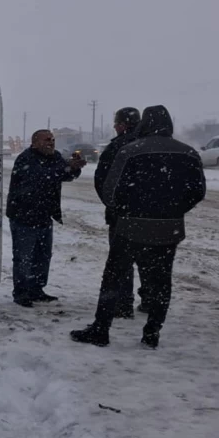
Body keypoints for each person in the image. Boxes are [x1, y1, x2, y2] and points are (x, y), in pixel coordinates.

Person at [70, 105, 206, 349]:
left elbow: (110, 189)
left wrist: (124, 211)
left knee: (113, 277)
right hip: (169, 228)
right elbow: (197, 191)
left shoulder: (129, 151)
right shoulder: (189, 153)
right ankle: (151, 333)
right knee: (161, 281)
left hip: (130, 226)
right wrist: (173, 211)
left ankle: (101, 329)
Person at [5, 129, 86, 307]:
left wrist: (74, 168)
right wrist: (66, 167)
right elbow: (41, 177)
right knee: (23, 258)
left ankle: (36, 289)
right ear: (34, 143)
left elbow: (63, 174)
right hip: (23, 216)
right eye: (46, 140)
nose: (51, 142)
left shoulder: (55, 156)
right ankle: (21, 292)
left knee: (42, 256)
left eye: (52, 139)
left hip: (44, 216)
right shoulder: (26, 159)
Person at [93, 107, 144, 317]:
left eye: (116, 124)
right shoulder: (152, 144)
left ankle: (123, 304)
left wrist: (114, 206)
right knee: (151, 260)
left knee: (121, 261)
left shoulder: (118, 147)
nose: (115, 128)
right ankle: (151, 300)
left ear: (122, 125)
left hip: (123, 216)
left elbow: (103, 181)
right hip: (154, 216)